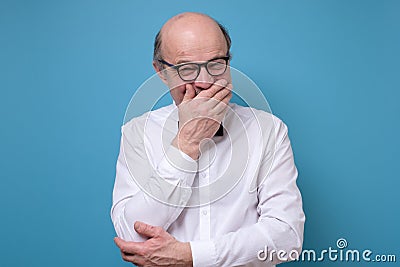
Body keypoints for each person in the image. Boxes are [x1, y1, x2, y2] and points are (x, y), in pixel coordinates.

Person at [111, 12, 305, 267]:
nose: (204, 82)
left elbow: (286, 237)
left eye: (216, 64)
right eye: (186, 68)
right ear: (160, 72)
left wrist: (191, 257)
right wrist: (187, 143)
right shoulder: (137, 132)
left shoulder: (269, 130)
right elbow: (132, 236)